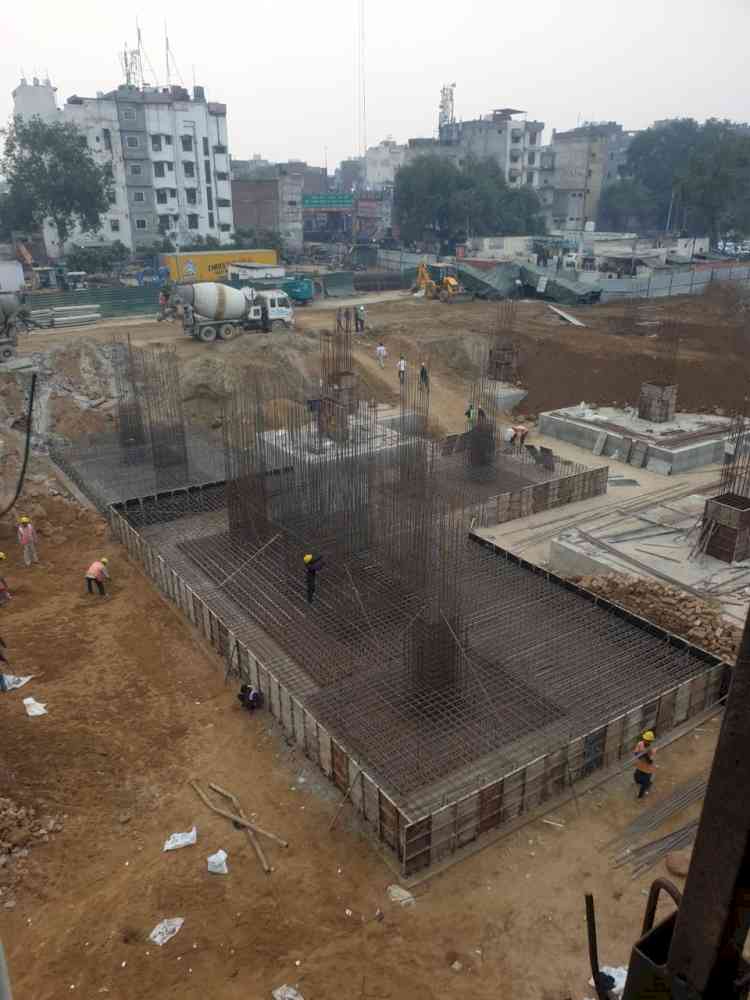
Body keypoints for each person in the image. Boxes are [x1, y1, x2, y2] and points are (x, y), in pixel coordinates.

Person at [633, 730, 657, 799]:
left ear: (650, 741)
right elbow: (636, 753)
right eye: (644, 739)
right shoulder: (640, 744)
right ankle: (648, 783)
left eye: (647, 740)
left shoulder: (653, 749)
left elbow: (650, 761)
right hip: (640, 766)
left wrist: (646, 754)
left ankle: (640, 796)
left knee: (644, 783)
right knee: (636, 778)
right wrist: (642, 754)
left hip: (648, 769)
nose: (645, 741)